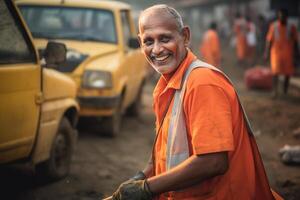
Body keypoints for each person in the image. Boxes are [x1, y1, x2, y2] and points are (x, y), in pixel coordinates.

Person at [109, 4, 282, 200]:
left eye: (165, 38)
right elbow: (164, 152)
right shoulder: (167, 84)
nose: (156, 49)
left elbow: (214, 161)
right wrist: (142, 177)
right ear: (140, 44)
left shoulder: (202, 83)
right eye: (148, 41)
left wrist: (147, 188)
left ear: (185, 36)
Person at [264, 8, 299, 97]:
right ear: (278, 16)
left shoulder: (292, 27)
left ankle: (285, 91)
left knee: (288, 73)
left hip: (288, 54)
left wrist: (296, 53)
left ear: (287, 17)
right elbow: (269, 40)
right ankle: (275, 91)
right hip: (276, 54)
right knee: (275, 72)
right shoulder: (274, 26)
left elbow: (295, 41)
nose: (282, 17)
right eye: (280, 15)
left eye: (284, 15)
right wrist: (266, 53)